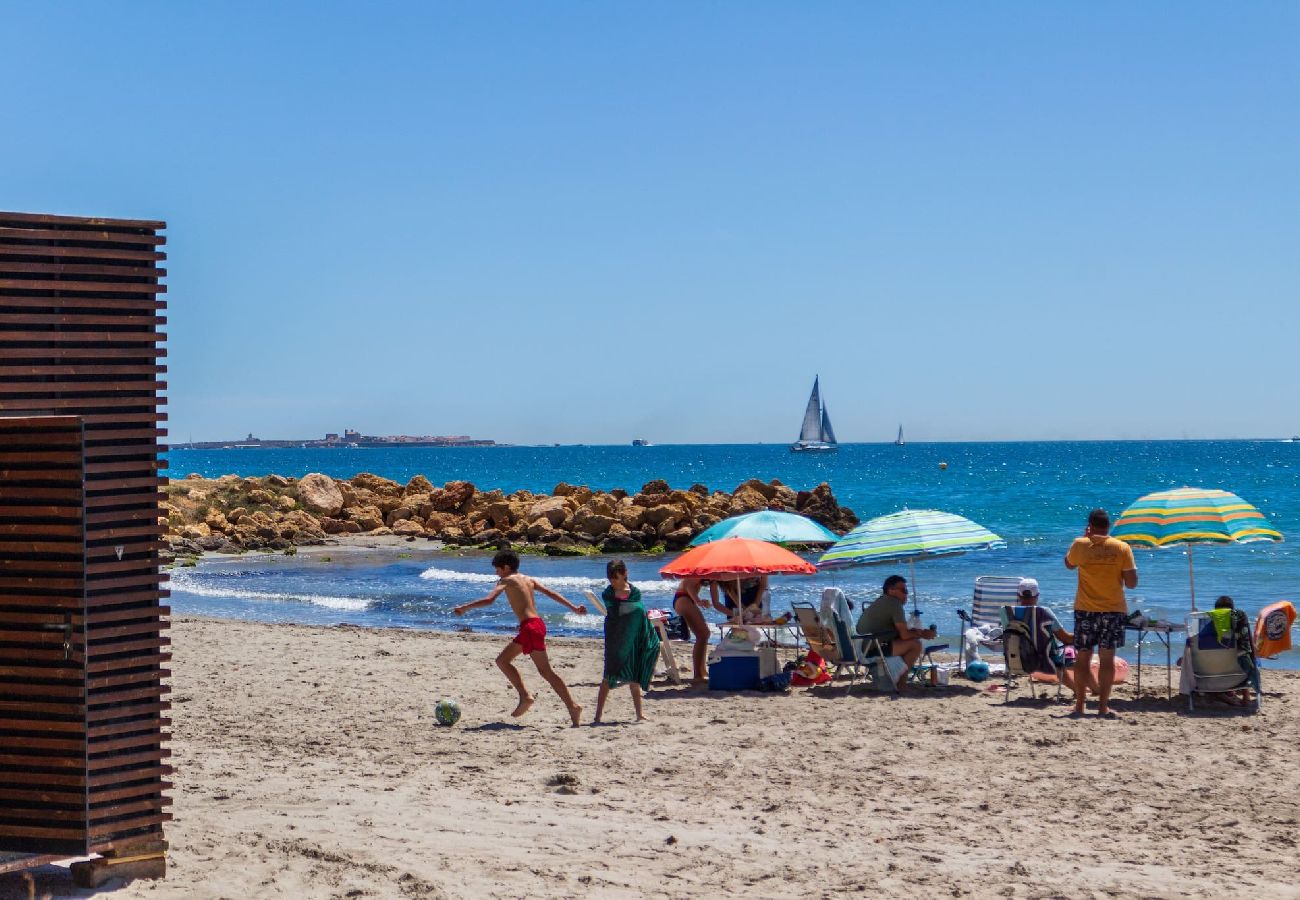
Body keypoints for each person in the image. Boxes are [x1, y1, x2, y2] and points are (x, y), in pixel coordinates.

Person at [452, 549, 586, 726]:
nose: (496, 573)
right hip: (537, 624)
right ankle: (568, 705)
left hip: (530, 627)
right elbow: (551, 593)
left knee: (515, 664)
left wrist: (464, 607)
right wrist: (574, 608)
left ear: (506, 567)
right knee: (524, 666)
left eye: (498, 569)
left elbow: (489, 600)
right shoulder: (528, 579)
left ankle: (530, 697)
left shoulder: (506, 580)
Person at [1064, 509, 1138, 719]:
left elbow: (1068, 564)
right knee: (1107, 660)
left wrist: (1085, 538)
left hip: (1085, 610)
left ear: (1090, 525)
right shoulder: (1122, 547)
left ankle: (1079, 705)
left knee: (1083, 658)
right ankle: (1103, 707)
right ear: (1109, 526)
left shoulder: (1080, 544)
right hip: (1113, 611)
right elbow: (1132, 584)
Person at [1000, 577, 1096, 695]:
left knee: (1055, 655)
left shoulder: (1005, 612)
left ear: (1018, 595)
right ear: (1037, 595)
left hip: (1018, 659)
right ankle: (1095, 689)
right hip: (1045, 660)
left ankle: (1077, 689)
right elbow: (1065, 638)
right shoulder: (1044, 612)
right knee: (1074, 655)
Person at [593, 560, 661, 723]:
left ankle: (639, 714)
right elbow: (616, 614)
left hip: (634, 637)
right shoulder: (608, 594)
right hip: (616, 638)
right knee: (608, 675)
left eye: (616, 578)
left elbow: (639, 614)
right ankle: (597, 716)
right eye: (611, 578)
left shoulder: (635, 592)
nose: (613, 582)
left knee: (634, 676)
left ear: (625, 574)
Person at [856, 574, 937, 691]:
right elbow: (905, 635)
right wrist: (923, 634)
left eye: (907, 590)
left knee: (910, 641)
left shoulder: (882, 601)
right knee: (915, 645)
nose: (906, 594)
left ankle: (894, 679)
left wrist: (916, 632)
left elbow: (899, 633)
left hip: (864, 646)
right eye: (903, 590)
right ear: (891, 590)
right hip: (872, 648)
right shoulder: (894, 603)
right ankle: (901, 684)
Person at [670, 576, 713, 684]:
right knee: (703, 634)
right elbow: (689, 586)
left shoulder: (709, 574)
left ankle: (701, 671)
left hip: (685, 599)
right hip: (683, 599)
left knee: (703, 635)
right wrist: (698, 601)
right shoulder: (697, 572)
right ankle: (698, 674)